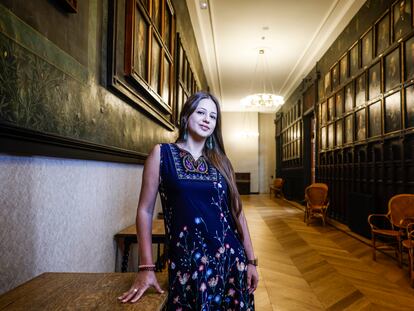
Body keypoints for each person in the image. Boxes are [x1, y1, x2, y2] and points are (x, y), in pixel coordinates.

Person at [118, 91, 258, 310]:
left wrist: (251, 261)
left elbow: (237, 212)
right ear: (186, 116)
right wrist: (146, 267)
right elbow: (145, 211)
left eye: (212, 116)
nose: (207, 119)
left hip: (231, 263)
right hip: (187, 267)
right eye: (201, 112)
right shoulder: (161, 154)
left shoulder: (222, 162)